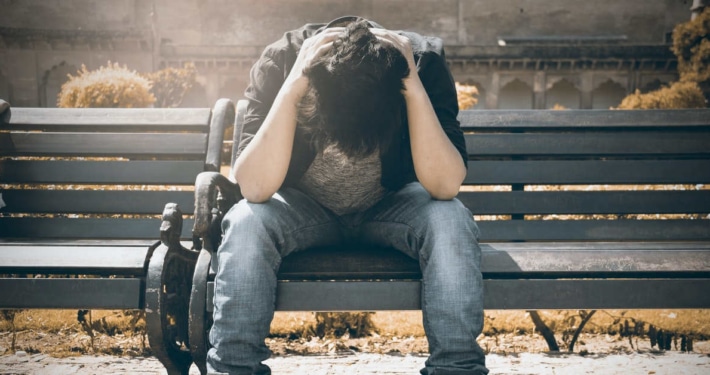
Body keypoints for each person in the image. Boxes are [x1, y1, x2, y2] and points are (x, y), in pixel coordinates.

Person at [208, 16, 488, 375]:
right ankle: (234, 368)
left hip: (392, 205)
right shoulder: (283, 61)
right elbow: (255, 188)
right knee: (246, 221)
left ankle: (457, 369)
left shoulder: (421, 63)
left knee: (450, 218)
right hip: (303, 209)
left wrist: (413, 89)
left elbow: (445, 186)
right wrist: (294, 86)